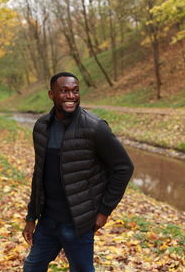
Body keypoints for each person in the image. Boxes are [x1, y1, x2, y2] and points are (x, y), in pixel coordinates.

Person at [22, 71, 134, 272]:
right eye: (64, 91)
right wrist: (31, 217)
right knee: (32, 267)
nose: (71, 96)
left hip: (78, 223)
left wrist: (104, 211)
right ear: (51, 94)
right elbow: (39, 174)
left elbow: (123, 168)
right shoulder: (41, 127)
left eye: (75, 91)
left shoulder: (95, 127)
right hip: (47, 221)